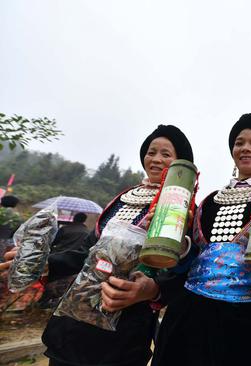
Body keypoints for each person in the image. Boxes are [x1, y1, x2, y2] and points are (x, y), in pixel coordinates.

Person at [1, 124, 195, 366]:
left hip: (125, 321)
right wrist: (43, 261)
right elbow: (88, 250)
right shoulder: (121, 200)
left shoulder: (185, 210)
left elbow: (184, 270)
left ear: (180, 164)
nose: (155, 159)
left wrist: (153, 289)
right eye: (151, 152)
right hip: (76, 314)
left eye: (166, 154)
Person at [152, 113, 251, 366]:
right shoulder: (209, 201)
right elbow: (187, 262)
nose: (245, 148)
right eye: (239, 142)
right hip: (191, 312)